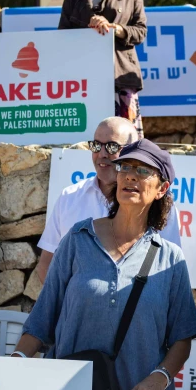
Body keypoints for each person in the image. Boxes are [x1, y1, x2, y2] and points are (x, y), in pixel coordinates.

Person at [15, 139, 196, 390]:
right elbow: (42, 320)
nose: (130, 176)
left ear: (161, 189)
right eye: (125, 167)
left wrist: (159, 380)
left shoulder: (170, 258)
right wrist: (15, 365)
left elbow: (183, 338)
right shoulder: (78, 238)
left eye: (143, 171)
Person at [36, 117, 181, 283]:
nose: (102, 154)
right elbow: (47, 263)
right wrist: (72, 302)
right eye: (96, 145)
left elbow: (168, 269)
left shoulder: (155, 207)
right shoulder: (69, 197)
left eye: (112, 147)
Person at [58, 0, 147, 137]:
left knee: (128, 146)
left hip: (122, 78)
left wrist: (116, 29)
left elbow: (141, 31)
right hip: (82, 82)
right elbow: (62, 37)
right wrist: (87, 32)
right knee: (87, 142)